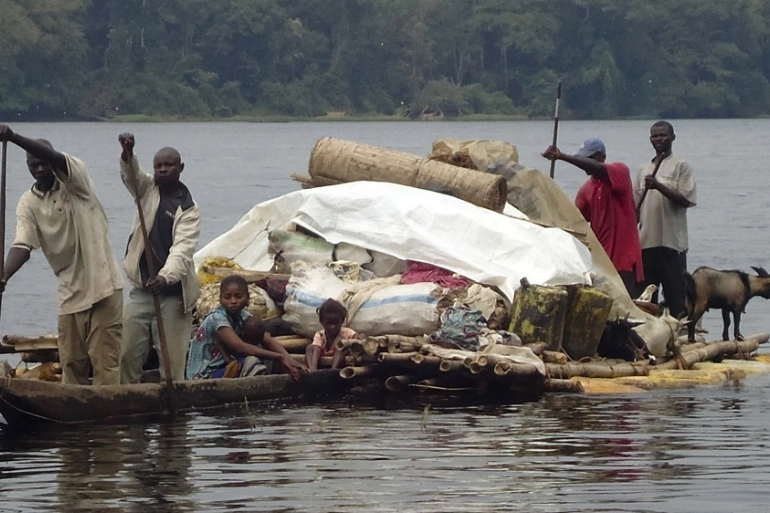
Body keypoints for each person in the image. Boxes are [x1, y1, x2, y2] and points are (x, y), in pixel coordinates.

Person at [0, 125, 124, 385]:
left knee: (105, 364)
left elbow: (54, 158)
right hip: (70, 294)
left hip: (103, 286)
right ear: (28, 167)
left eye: (44, 163)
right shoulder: (28, 202)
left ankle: (108, 421)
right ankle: (74, 417)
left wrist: (14, 138)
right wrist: (4, 275)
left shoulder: (75, 181)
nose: (40, 169)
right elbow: (23, 244)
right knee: (71, 365)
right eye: (34, 165)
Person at [118, 133, 201, 383]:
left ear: (181, 168)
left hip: (174, 295)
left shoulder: (188, 209)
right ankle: (128, 404)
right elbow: (131, 176)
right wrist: (127, 153)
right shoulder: (146, 190)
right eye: (158, 166)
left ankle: (173, 415)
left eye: (169, 165)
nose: (163, 170)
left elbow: (182, 251)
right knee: (127, 355)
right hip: (142, 291)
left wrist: (164, 278)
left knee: (171, 363)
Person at [542, 138, 643, 297]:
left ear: (600, 157)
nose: (583, 163)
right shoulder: (586, 189)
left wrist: (562, 156)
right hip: (601, 261)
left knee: (629, 308)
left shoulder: (620, 172)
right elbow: (574, 221)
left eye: (587, 159)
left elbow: (598, 169)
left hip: (624, 259)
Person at [185, 275, 306, 379]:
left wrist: (289, 359)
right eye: (227, 297)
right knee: (252, 361)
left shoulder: (243, 315)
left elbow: (267, 339)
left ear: (247, 298)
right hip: (207, 374)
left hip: (225, 366)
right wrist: (279, 357)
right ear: (221, 300)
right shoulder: (216, 318)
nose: (233, 301)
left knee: (268, 358)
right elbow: (240, 347)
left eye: (238, 296)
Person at [634, 121, 696, 319]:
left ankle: (679, 339)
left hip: (672, 245)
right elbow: (634, 208)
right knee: (645, 300)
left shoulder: (681, 166)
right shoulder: (643, 169)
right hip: (647, 244)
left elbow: (685, 200)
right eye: (655, 136)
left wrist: (659, 186)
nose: (658, 139)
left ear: (672, 137)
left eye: (663, 135)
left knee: (676, 300)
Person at [306, 298, 359, 371]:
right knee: (309, 348)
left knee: (340, 348)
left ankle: (333, 371)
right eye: (329, 323)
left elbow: (356, 338)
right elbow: (316, 350)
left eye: (336, 323)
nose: (332, 327)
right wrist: (314, 365)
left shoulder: (346, 332)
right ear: (322, 322)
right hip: (323, 354)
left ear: (342, 320)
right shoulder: (320, 334)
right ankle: (312, 369)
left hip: (339, 357)